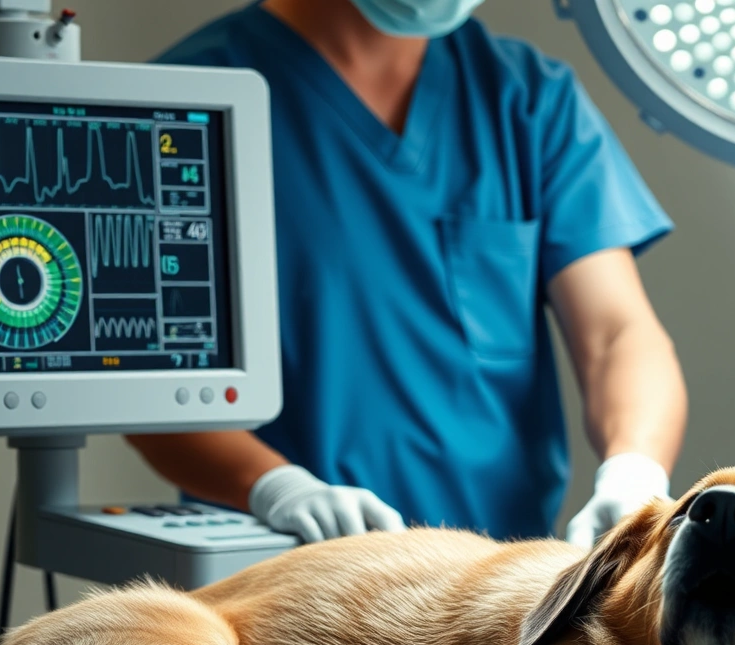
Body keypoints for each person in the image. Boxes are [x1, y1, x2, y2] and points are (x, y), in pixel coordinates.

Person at [128, 0, 687, 547]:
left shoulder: (526, 100)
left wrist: (633, 472)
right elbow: (151, 388)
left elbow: (617, 333)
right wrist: (274, 488)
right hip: (283, 580)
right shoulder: (184, 106)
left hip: (495, 587)